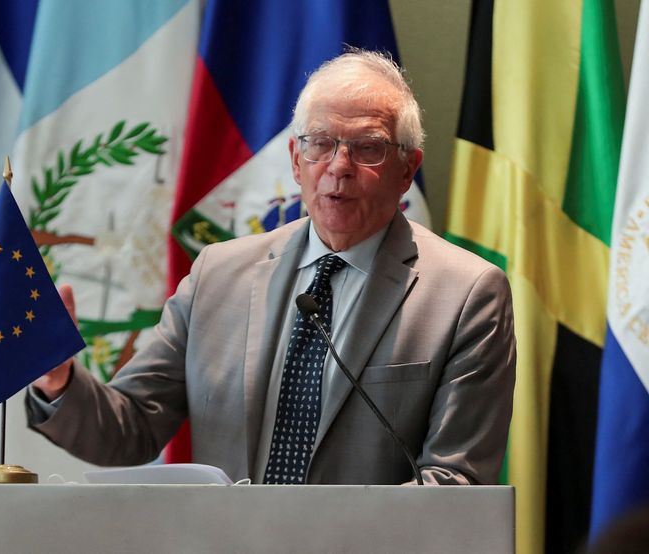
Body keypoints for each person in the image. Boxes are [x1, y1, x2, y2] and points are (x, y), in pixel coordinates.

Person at [27, 48, 516, 486]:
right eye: (321, 143)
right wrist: (59, 380)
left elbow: (453, 485)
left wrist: (303, 534)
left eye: (367, 148)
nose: (339, 166)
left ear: (407, 169)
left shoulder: (466, 294)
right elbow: (130, 428)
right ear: (296, 159)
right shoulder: (218, 275)